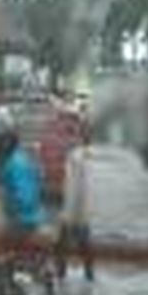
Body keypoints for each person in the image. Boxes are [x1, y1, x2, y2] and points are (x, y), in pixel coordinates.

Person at [0, 107, 45, 235]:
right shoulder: (10, 162)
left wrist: (1, 200)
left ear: (4, 141)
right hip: (17, 221)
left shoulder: (16, 164)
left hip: (23, 224)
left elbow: (25, 200)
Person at [55, 115, 94, 282]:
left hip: (75, 211)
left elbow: (73, 188)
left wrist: (67, 215)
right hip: (85, 211)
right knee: (84, 245)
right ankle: (88, 275)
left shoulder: (75, 157)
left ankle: (61, 275)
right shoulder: (88, 156)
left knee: (63, 244)